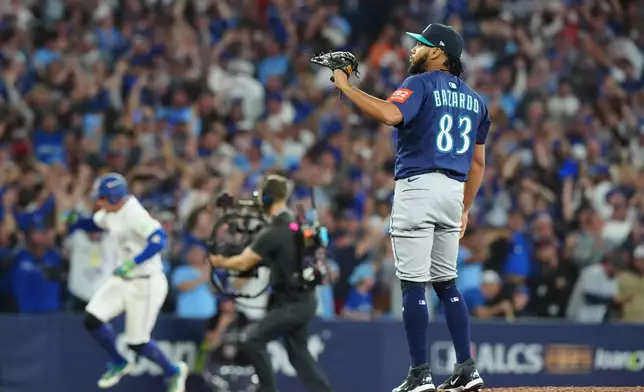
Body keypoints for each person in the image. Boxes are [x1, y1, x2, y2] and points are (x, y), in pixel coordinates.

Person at [331, 23, 488, 392]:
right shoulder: (476, 100)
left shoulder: (419, 83)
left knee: (413, 284)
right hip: (453, 192)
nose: (413, 50)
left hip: (418, 187)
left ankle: (420, 374)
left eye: (421, 45)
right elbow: (478, 164)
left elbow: (391, 115)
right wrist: (465, 207)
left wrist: (346, 87)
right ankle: (467, 368)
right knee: (447, 283)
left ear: (438, 52)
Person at [209, 174, 332, 392]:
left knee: (252, 338)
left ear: (266, 199)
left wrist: (219, 261)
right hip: (303, 299)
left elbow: (242, 262)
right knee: (299, 356)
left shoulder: (274, 232)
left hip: (291, 304)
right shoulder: (295, 226)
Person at [71, 173, 188, 392]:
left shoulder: (135, 214)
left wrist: (134, 262)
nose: (98, 202)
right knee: (92, 319)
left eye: (103, 198)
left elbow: (159, 239)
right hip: (123, 280)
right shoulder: (110, 212)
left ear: (115, 198)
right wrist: (74, 220)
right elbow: (94, 223)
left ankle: (173, 371)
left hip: (146, 283)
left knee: (137, 342)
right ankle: (119, 362)